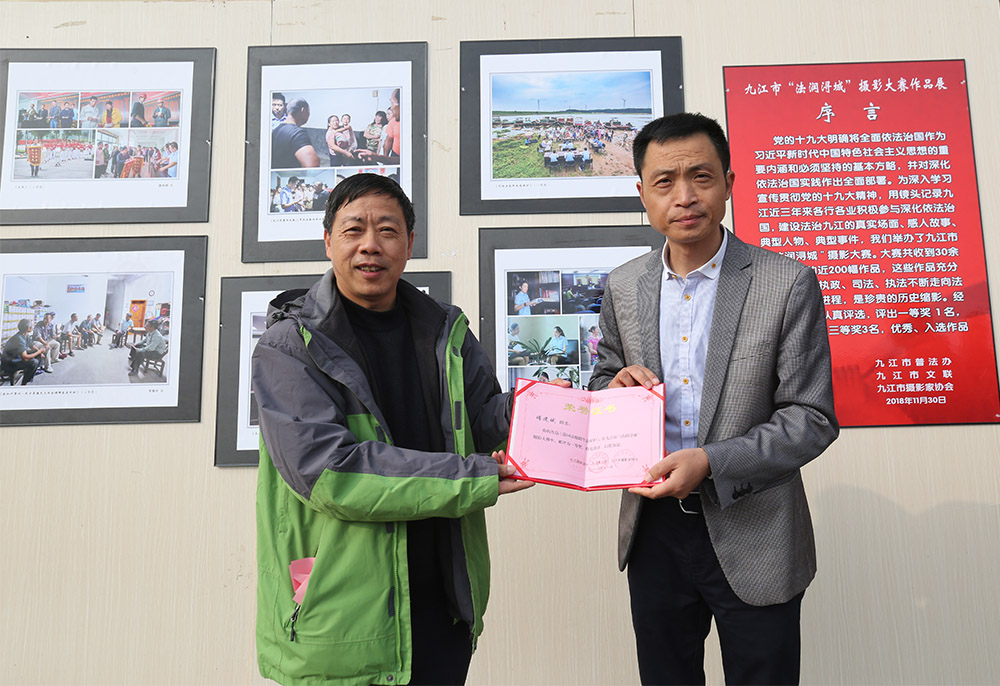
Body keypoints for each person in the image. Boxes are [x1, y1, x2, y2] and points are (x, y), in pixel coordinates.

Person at [252, 173, 536, 686]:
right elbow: (331, 474)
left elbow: (481, 425)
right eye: (353, 230)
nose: (370, 245)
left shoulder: (445, 331)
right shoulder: (289, 347)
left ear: (410, 242)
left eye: (387, 230)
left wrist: (550, 410)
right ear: (328, 241)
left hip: (443, 607)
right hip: (343, 618)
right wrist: (473, 477)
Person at [589, 112, 839, 685]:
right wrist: (613, 389)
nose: (684, 196)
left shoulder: (786, 282)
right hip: (652, 528)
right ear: (643, 195)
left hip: (756, 527)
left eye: (700, 176)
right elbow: (603, 380)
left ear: (729, 182)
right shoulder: (624, 285)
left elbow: (811, 417)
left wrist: (711, 462)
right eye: (665, 181)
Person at [271, 98, 320, 169]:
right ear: (303, 110)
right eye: (308, 111)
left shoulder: (276, 130)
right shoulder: (298, 134)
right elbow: (312, 164)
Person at [2, 319, 44, 385]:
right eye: (32, 326)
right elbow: (25, 358)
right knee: (34, 362)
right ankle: (24, 383)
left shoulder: (25, 335)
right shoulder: (19, 339)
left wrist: (40, 352)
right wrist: (39, 352)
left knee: (38, 356)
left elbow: (32, 346)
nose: (33, 327)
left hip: (17, 358)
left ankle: (29, 374)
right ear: (28, 328)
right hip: (10, 364)